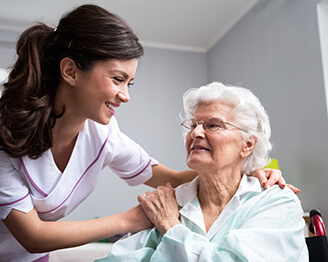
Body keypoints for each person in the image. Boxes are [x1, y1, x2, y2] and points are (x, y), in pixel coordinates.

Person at [0, 5, 293, 262]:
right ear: (71, 72)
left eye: (130, 83)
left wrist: (251, 171)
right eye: (118, 79)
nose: (125, 96)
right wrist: (133, 219)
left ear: (248, 144)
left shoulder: (104, 134)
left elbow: (174, 178)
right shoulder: (5, 134)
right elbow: (33, 235)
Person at [95, 82, 308, 261]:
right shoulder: (169, 202)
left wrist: (170, 226)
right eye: (193, 125)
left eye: (213, 125)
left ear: (248, 145)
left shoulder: (276, 202)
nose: (195, 133)